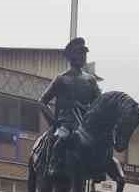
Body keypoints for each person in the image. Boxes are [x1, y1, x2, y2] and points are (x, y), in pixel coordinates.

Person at [39, 37, 101, 179]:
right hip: (66, 124)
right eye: (79, 53)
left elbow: (99, 103)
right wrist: (53, 122)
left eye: (84, 53)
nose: (83, 56)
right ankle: (53, 164)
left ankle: (98, 169)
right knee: (61, 138)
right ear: (71, 56)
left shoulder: (90, 80)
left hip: (84, 125)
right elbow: (42, 101)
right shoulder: (61, 79)